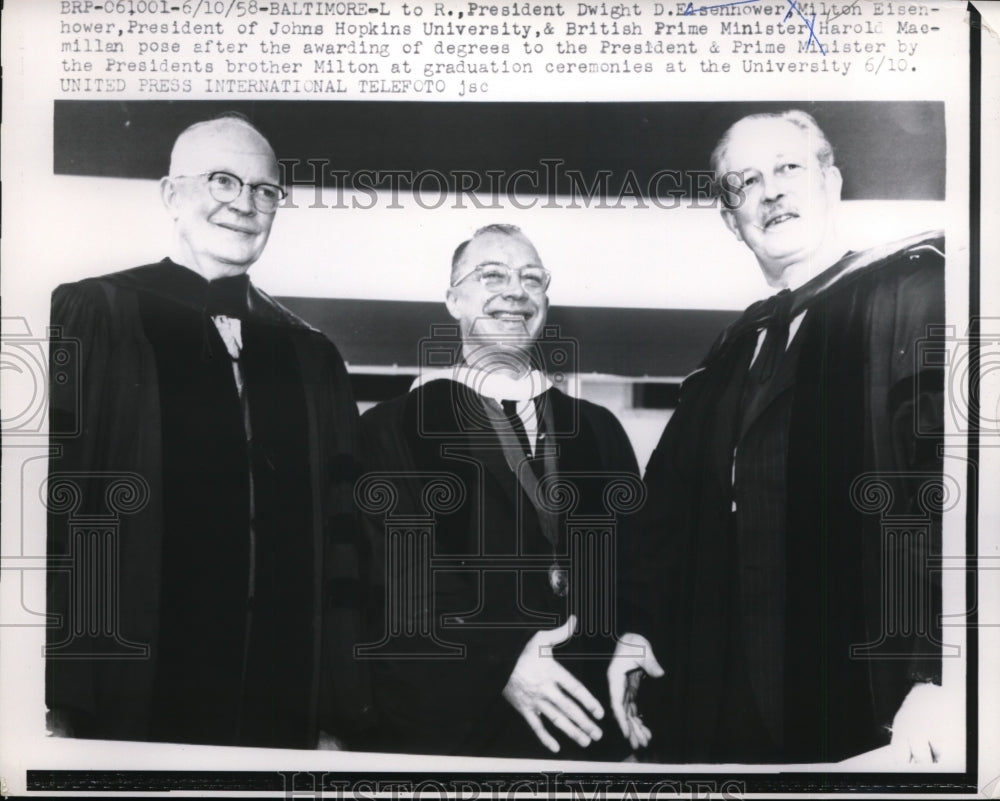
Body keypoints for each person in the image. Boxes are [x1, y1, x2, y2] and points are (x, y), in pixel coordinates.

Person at [609, 110, 948, 764]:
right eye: (744, 182)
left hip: (868, 699)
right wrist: (635, 628)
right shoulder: (728, 355)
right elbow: (662, 519)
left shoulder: (913, 297)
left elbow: (950, 501)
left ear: (832, 182)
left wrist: (938, 674)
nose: (769, 191)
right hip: (721, 706)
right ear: (731, 219)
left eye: (788, 168)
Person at [46, 114, 372, 749]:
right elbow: (56, 510)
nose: (244, 204)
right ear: (172, 194)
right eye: (222, 180)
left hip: (278, 700)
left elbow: (345, 541)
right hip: (125, 691)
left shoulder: (310, 354)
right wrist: (56, 692)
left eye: (264, 190)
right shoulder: (95, 314)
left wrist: (336, 708)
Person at [359, 224, 642, 759]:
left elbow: (634, 566)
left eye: (532, 279)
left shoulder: (597, 428)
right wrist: (502, 664)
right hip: (460, 726)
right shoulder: (395, 427)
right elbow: (399, 580)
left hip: (586, 724)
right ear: (454, 300)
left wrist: (635, 643)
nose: (516, 291)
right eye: (492, 275)